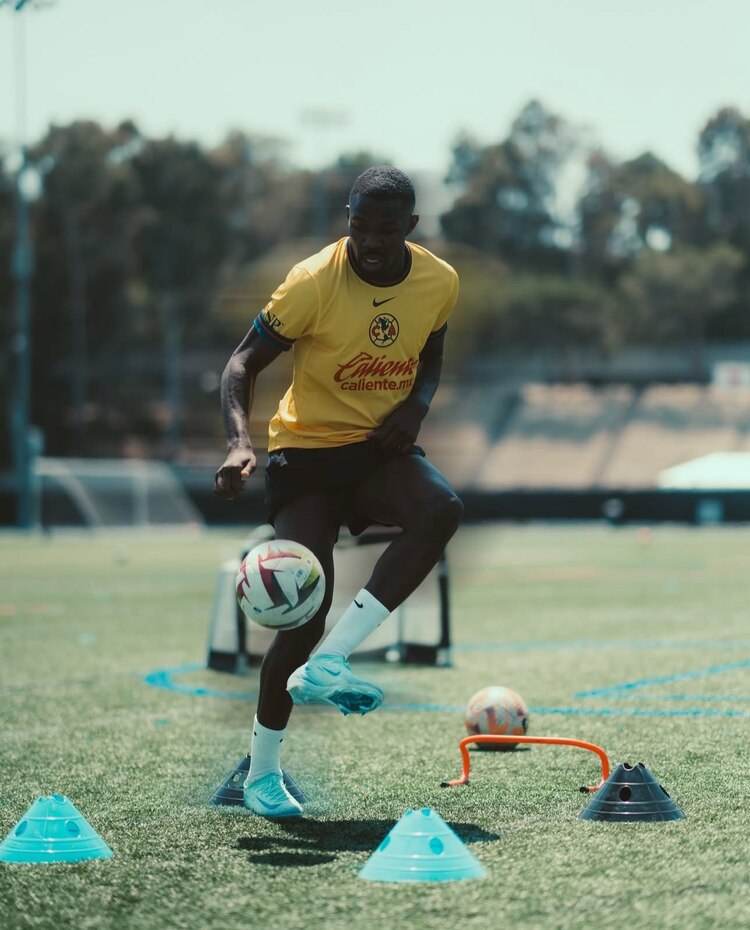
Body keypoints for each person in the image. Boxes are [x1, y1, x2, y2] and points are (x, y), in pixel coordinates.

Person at [214, 166, 462, 817]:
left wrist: (418, 404)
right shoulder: (312, 282)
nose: (371, 242)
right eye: (360, 228)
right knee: (302, 606)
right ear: (348, 221)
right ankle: (262, 776)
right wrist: (242, 443)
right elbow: (241, 362)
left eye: (386, 230)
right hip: (306, 457)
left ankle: (331, 664)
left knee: (440, 509)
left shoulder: (439, 280)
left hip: (380, 450)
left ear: (410, 227)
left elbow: (431, 347)